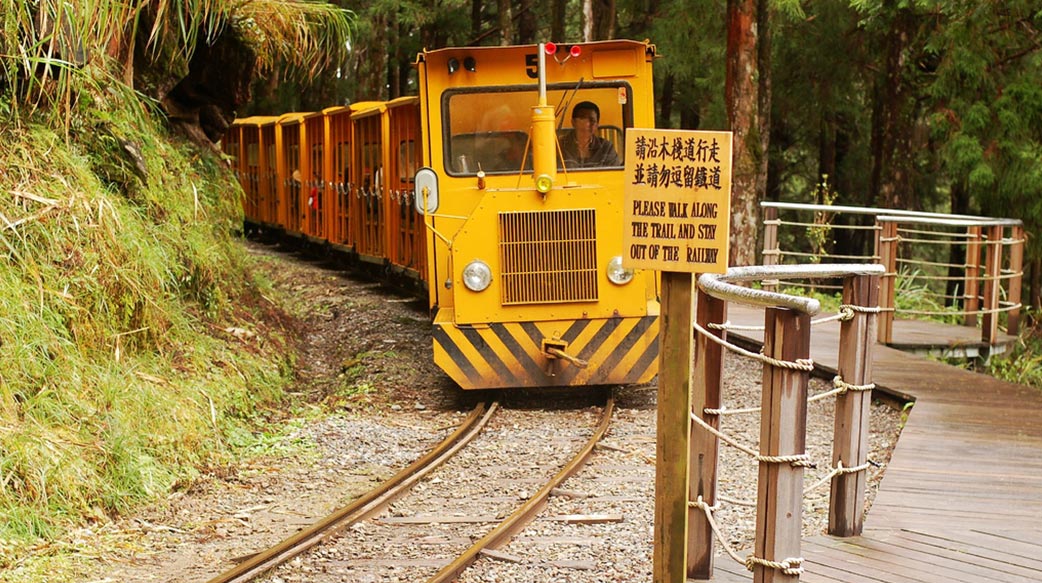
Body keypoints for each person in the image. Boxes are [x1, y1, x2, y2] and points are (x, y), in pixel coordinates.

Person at [559, 101, 621, 169]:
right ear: (573, 122)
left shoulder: (606, 147)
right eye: (582, 119)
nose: (587, 124)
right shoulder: (559, 146)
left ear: (597, 125)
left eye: (592, 120)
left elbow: (614, 174)